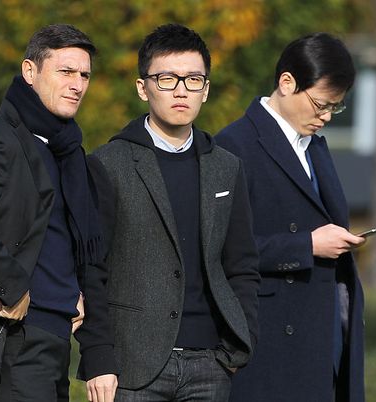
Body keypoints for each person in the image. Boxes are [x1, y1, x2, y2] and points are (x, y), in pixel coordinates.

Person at [0, 24, 118, 402]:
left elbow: (57, 240)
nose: (77, 85)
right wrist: (12, 286)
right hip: (14, 337)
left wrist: (72, 291)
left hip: (53, 336)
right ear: (30, 71)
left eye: (84, 75)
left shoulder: (65, 151)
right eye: (65, 71)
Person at [86, 23, 260, 401]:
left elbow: (242, 264)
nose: (181, 90)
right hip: (133, 367)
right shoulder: (108, 163)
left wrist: (239, 343)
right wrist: (97, 357)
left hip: (211, 364)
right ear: (142, 87)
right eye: (167, 79)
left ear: (206, 90)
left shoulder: (226, 167)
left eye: (193, 79)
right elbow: (91, 268)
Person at [215, 32, 366, 402]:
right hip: (270, 344)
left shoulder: (314, 146)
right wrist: (306, 245)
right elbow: (219, 249)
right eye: (321, 104)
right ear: (287, 83)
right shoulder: (234, 145)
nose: (326, 117)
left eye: (335, 108)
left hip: (323, 334)